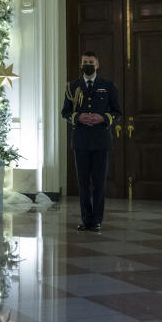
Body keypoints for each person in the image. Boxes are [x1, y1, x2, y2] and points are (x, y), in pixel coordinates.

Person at [60, 51, 121, 233]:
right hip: (81, 141)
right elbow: (65, 112)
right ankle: (86, 220)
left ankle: (97, 221)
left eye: (91, 62)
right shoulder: (73, 87)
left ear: (97, 65)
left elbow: (117, 112)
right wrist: (78, 117)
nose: (88, 64)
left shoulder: (108, 86)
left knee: (99, 182)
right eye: (85, 62)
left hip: (101, 141)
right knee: (83, 183)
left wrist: (103, 118)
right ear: (81, 65)